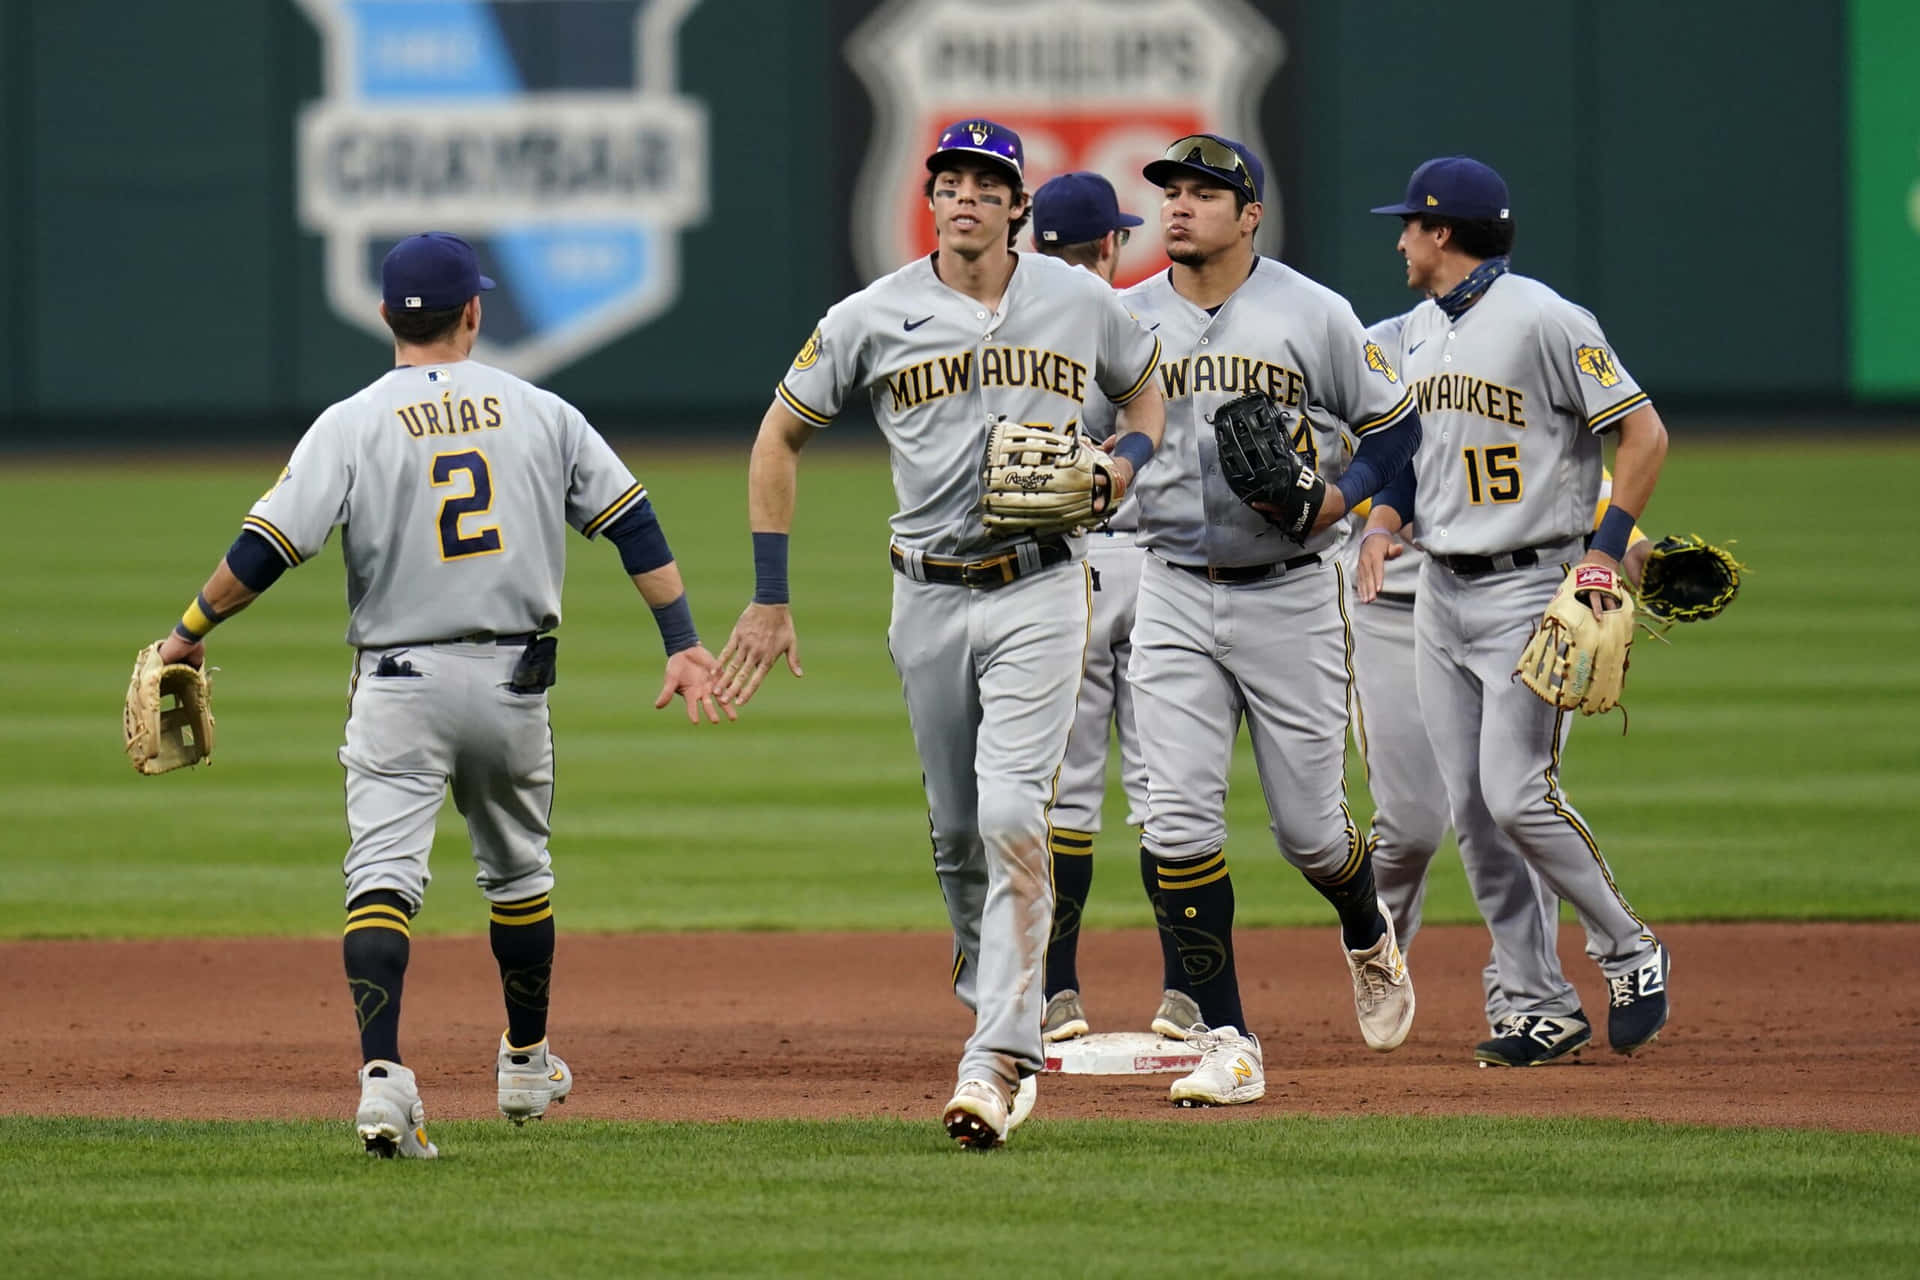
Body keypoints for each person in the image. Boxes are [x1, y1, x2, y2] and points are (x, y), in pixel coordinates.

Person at [146, 232, 732, 1158]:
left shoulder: (351, 422)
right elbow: (634, 523)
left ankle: (383, 1081)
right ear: (475, 313)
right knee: (520, 873)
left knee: (381, 879)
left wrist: (187, 631)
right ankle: (527, 1062)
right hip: (513, 684)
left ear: (386, 315)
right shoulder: (542, 410)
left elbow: (266, 549)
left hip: (398, 686)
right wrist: (683, 642)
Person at [716, 120, 1166, 1147]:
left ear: (1017, 207)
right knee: (959, 832)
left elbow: (1147, 391)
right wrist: (770, 593)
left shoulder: (1078, 300)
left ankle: (996, 1058)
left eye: (986, 184)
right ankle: (994, 985)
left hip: (1041, 583)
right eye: (950, 181)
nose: (965, 196)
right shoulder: (871, 315)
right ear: (932, 201)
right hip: (925, 592)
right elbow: (779, 435)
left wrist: (1126, 461)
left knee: (1012, 810)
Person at [1120, 134, 1423, 1108]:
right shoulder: (1124, 319)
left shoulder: (1313, 313)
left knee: (1311, 834)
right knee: (1173, 820)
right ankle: (1228, 1037)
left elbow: (1398, 427)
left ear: (1251, 215)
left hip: (1293, 589)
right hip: (1171, 584)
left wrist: (1341, 498)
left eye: (1205, 192)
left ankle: (1366, 926)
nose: (1179, 204)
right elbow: (1088, 436)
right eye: (1171, 189)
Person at [1357, 156, 1672, 1066]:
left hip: (1531, 588)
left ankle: (1631, 949)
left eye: (1409, 225)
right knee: (1474, 813)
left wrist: (1606, 552)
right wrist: (1381, 523)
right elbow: (1416, 461)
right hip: (1439, 593)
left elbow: (1643, 432)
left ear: (1442, 232)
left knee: (1518, 795)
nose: (1400, 241)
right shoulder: (1416, 332)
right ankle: (1539, 1005)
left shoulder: (1544, 318)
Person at [1340, 470, 1651, 1037]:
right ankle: (1380, 957)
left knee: (1513, 803)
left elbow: (1542, 457)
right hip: (1385, 602)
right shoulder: (1364, 403)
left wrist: (1627, 541)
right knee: (1408, 829)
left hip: (1509, 596)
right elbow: (1360, 464)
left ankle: (1526, 995)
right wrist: (1388, 507)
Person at [1023, 171, 1158, 1045]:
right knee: (1166, 792)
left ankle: (1056, 992)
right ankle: (1187, 994)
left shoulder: (1013, 338)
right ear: (1110, 244)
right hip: (1156, 568)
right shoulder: (1135, 321)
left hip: (1059, 567)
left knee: (1064, 794)